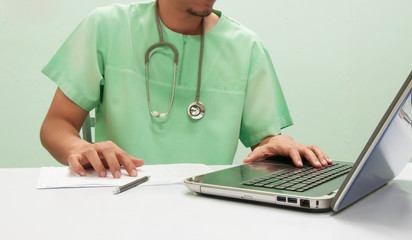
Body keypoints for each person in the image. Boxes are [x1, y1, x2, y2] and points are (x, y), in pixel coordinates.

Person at [40, 0, 332, 179]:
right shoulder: (107, 27)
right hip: (121, 197)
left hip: (206, 205)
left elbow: (264, 140)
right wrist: (80, 148)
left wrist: (278, 144)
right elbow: (57, 125)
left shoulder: (245, 46)